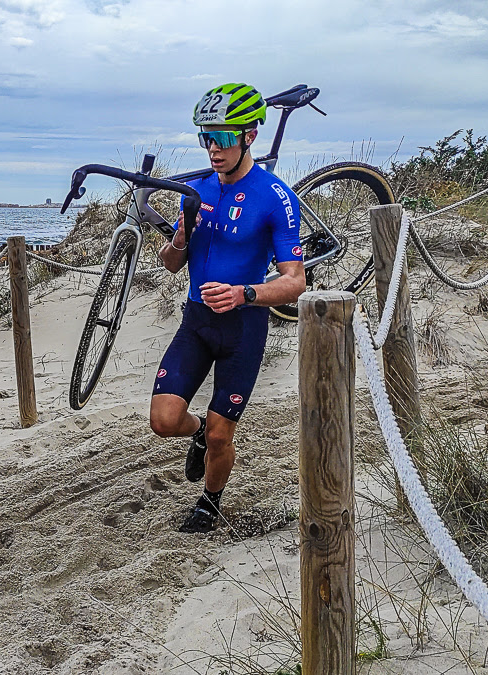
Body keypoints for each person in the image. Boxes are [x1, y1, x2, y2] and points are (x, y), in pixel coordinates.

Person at [152, 83, 306, 533]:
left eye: (221, 138)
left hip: (243, 327)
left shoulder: (275, 197)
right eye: (206, 137)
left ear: (249, 136)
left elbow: (295, 281)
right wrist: (180, 238)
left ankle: (211, 502)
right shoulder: (195, 191)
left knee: (224, 434)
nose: (212, 149)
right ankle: (196, 431)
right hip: (197, 320)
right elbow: (171, 264)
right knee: (164, 421)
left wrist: (247, 293)